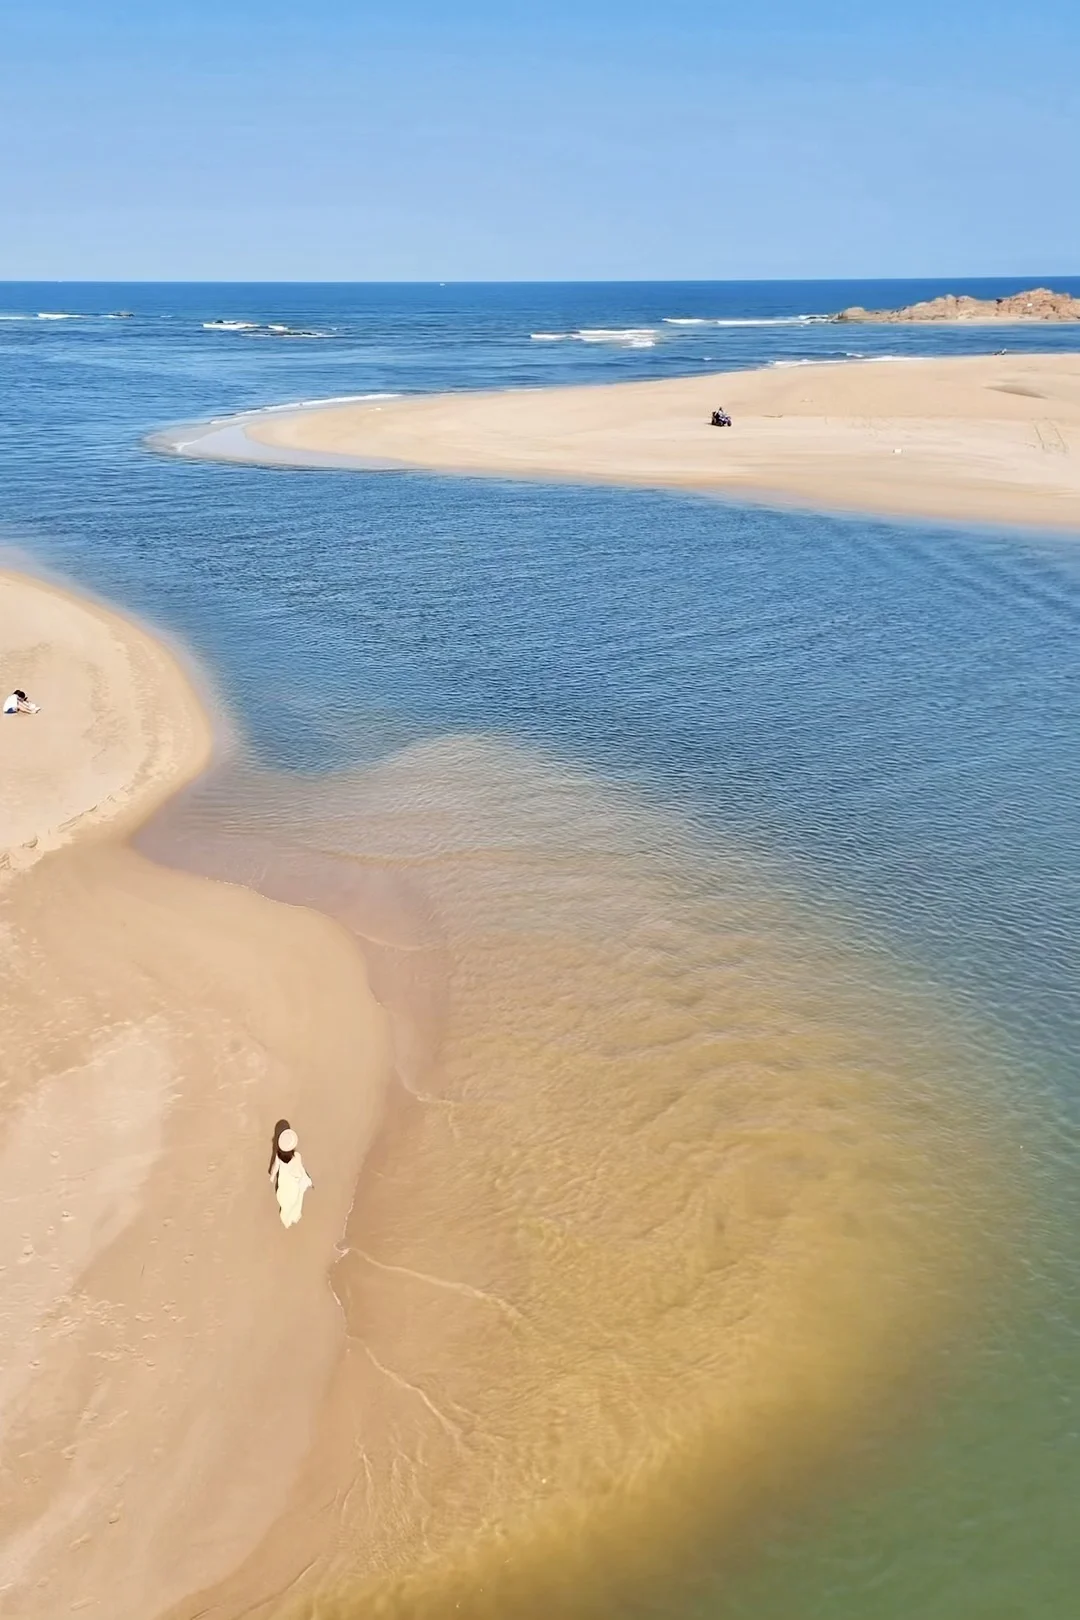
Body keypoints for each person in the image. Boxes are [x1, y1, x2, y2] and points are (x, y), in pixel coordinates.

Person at [268, 1120, 313, 1228]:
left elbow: (275, 1168)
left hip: (283, 1184)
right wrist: (308, 1180)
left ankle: (286, 1214)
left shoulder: (278, 1156)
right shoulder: (296, 1156)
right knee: (294, 1201)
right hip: (292, 1185)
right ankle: (290, 1216)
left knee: (285, 1200)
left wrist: (272, 1176)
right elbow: (300, 1171)